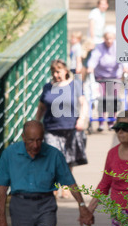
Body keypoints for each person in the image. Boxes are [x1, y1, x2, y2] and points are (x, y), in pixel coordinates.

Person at [35, 59, 88, 197]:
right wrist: (36, 123)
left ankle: (65, 185)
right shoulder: (47, 87)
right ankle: (54, 185)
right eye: (53, 72)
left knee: (68, 159)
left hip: (70, 127)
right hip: (51, 128)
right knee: (52, 158)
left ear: (65, 71)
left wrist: (82, 119)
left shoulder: (74, 85)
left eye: (58, 71)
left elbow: (83, 103)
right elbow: (41, 107)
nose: (56, 74)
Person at [87, 28, 128, 131]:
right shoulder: (99, 47)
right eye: (107, 39)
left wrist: (125, 67)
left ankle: (111, 121)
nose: (109, 41)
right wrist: (91, 66)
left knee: (113, 98)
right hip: (101, 76)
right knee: (102, 98)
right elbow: (94, 58)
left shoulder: (118, 46)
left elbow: (123, 58)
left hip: (115, 76)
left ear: (114, 38)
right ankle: (101, 121)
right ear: (104, 39)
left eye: (111, 38)